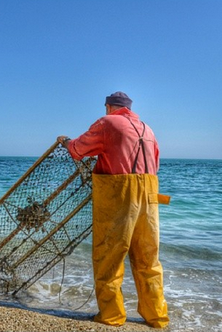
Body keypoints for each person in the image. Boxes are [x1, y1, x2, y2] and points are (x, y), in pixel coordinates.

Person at [57, 91, 169, 328]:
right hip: (149, 195)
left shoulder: (107, 123)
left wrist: (65, 141)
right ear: (130, 108)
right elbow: (155, 163)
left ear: (109, 107)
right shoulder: (148, 129)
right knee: (148, 259)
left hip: (119, 194)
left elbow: (79, 149)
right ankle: (157, 317)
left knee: (109, 256)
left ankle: (112, 315)